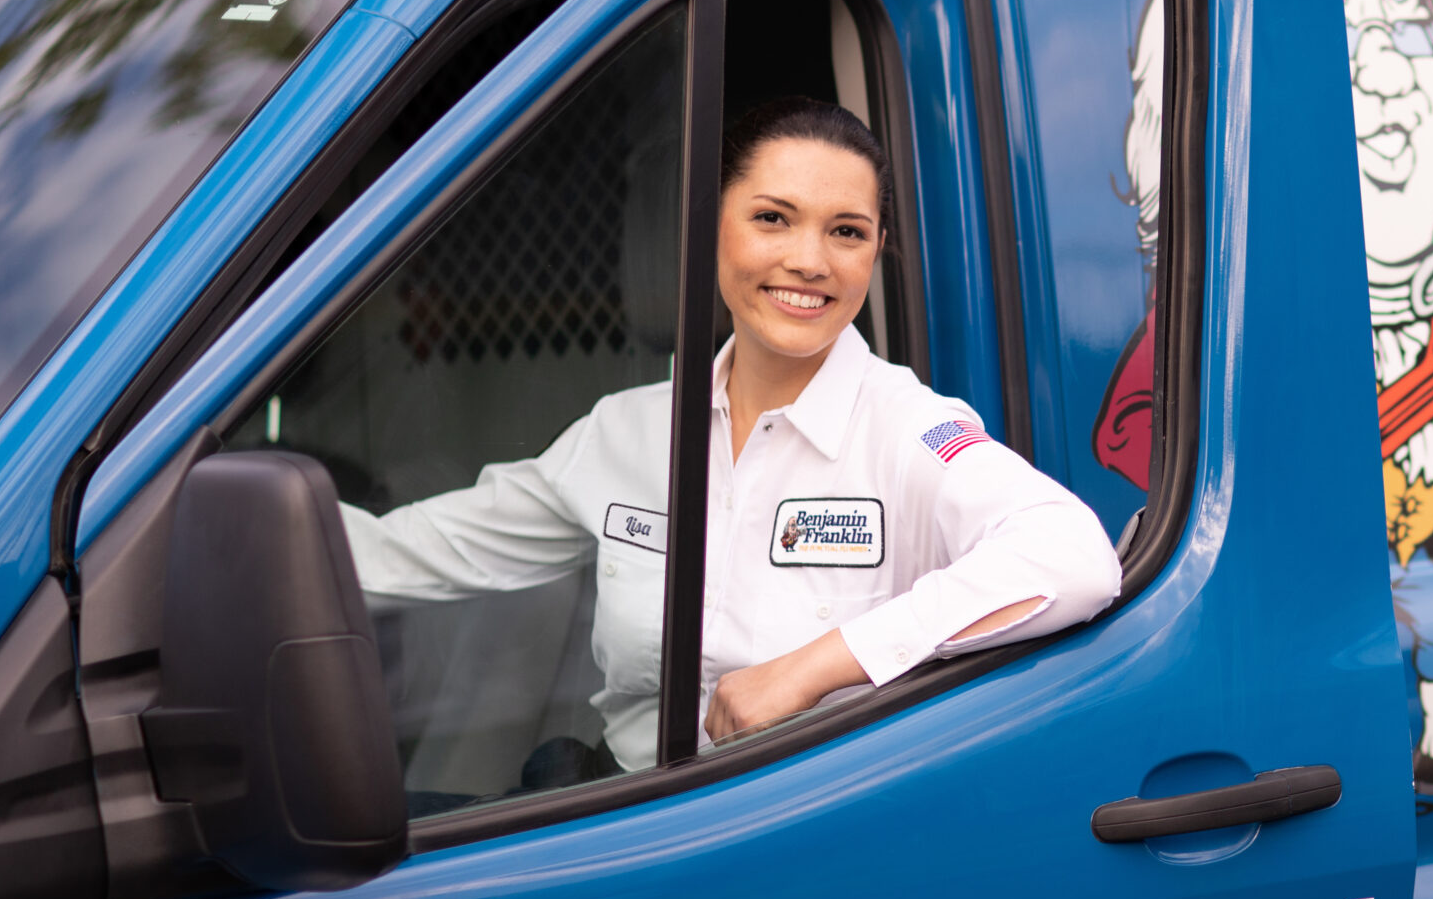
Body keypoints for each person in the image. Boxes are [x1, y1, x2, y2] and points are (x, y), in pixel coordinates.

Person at [341, 96, 1123, 776]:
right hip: (621, 809)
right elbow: (417, 550)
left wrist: (811, 669)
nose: (809, 261)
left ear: (877, 249)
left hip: (797, 826)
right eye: (772, 218)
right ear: (711, 224)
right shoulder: (627, 431)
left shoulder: (905, 425)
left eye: (847, 232)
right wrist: (272, 543)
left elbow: (1074, 556)